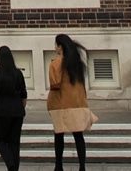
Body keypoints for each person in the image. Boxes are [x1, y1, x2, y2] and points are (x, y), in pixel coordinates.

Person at [46, 34, 94, 171]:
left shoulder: (55, 63)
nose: (55, 47)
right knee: (78, 136)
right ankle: (82, 166)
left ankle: (59, 165)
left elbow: (55, 84)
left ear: (60, 46)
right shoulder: (76, 63)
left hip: (61, 103)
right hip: (77, 103)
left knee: (58, 136)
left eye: (56, 45)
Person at [0, 46, 27, 171]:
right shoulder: (18, 73)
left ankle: (10, 163)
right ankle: (14, 167)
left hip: (2, 111)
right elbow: (24, 95)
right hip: (17, 111)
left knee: (0, 139)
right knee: (14, 142)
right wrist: (20, 107)